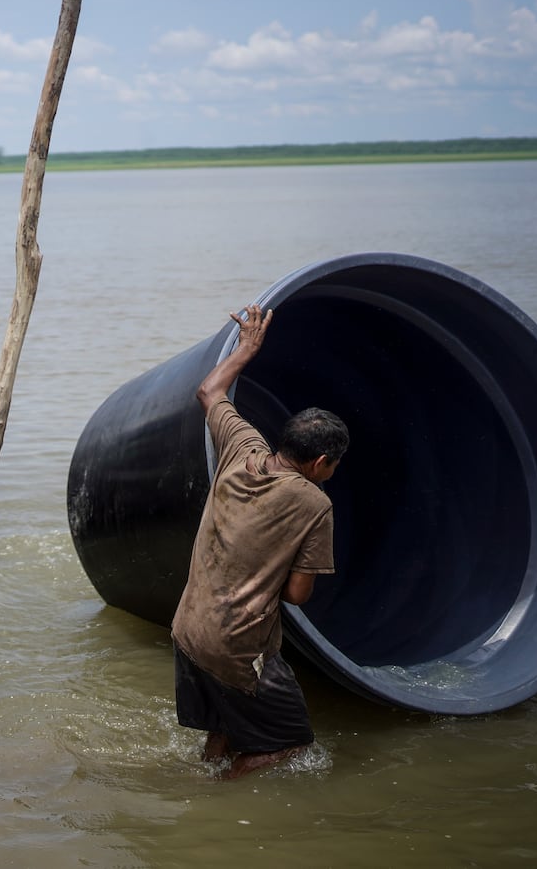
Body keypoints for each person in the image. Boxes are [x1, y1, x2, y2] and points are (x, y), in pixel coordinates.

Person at [169, 303, 348, 780]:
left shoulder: (242, 449)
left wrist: (247, 347)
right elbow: (296, 594)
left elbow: (209, 390)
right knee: (289, 744)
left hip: (189, 628)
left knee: (227, 727)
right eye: (334, 467)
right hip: (237, 646)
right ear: (321, 462)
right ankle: (213, 806)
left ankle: (201, 780)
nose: (331, 475)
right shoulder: (314, 504)